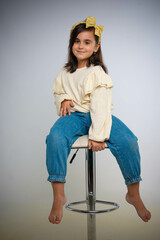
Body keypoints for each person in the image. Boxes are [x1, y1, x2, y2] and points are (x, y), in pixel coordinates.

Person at [46, 16, 151, 224]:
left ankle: (133, 193)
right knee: (55, 138)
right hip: (74, 116)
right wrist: (63, 98)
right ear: (71, 44)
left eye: (87, 42)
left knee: (129, 141)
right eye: (77, 41)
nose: (81, 46)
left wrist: (97, 135)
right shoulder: (64, 72)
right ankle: (59, 195)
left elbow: (100, 106)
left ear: (96, 47)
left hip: (99, 115)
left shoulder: (97, 72)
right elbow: (57, 92)